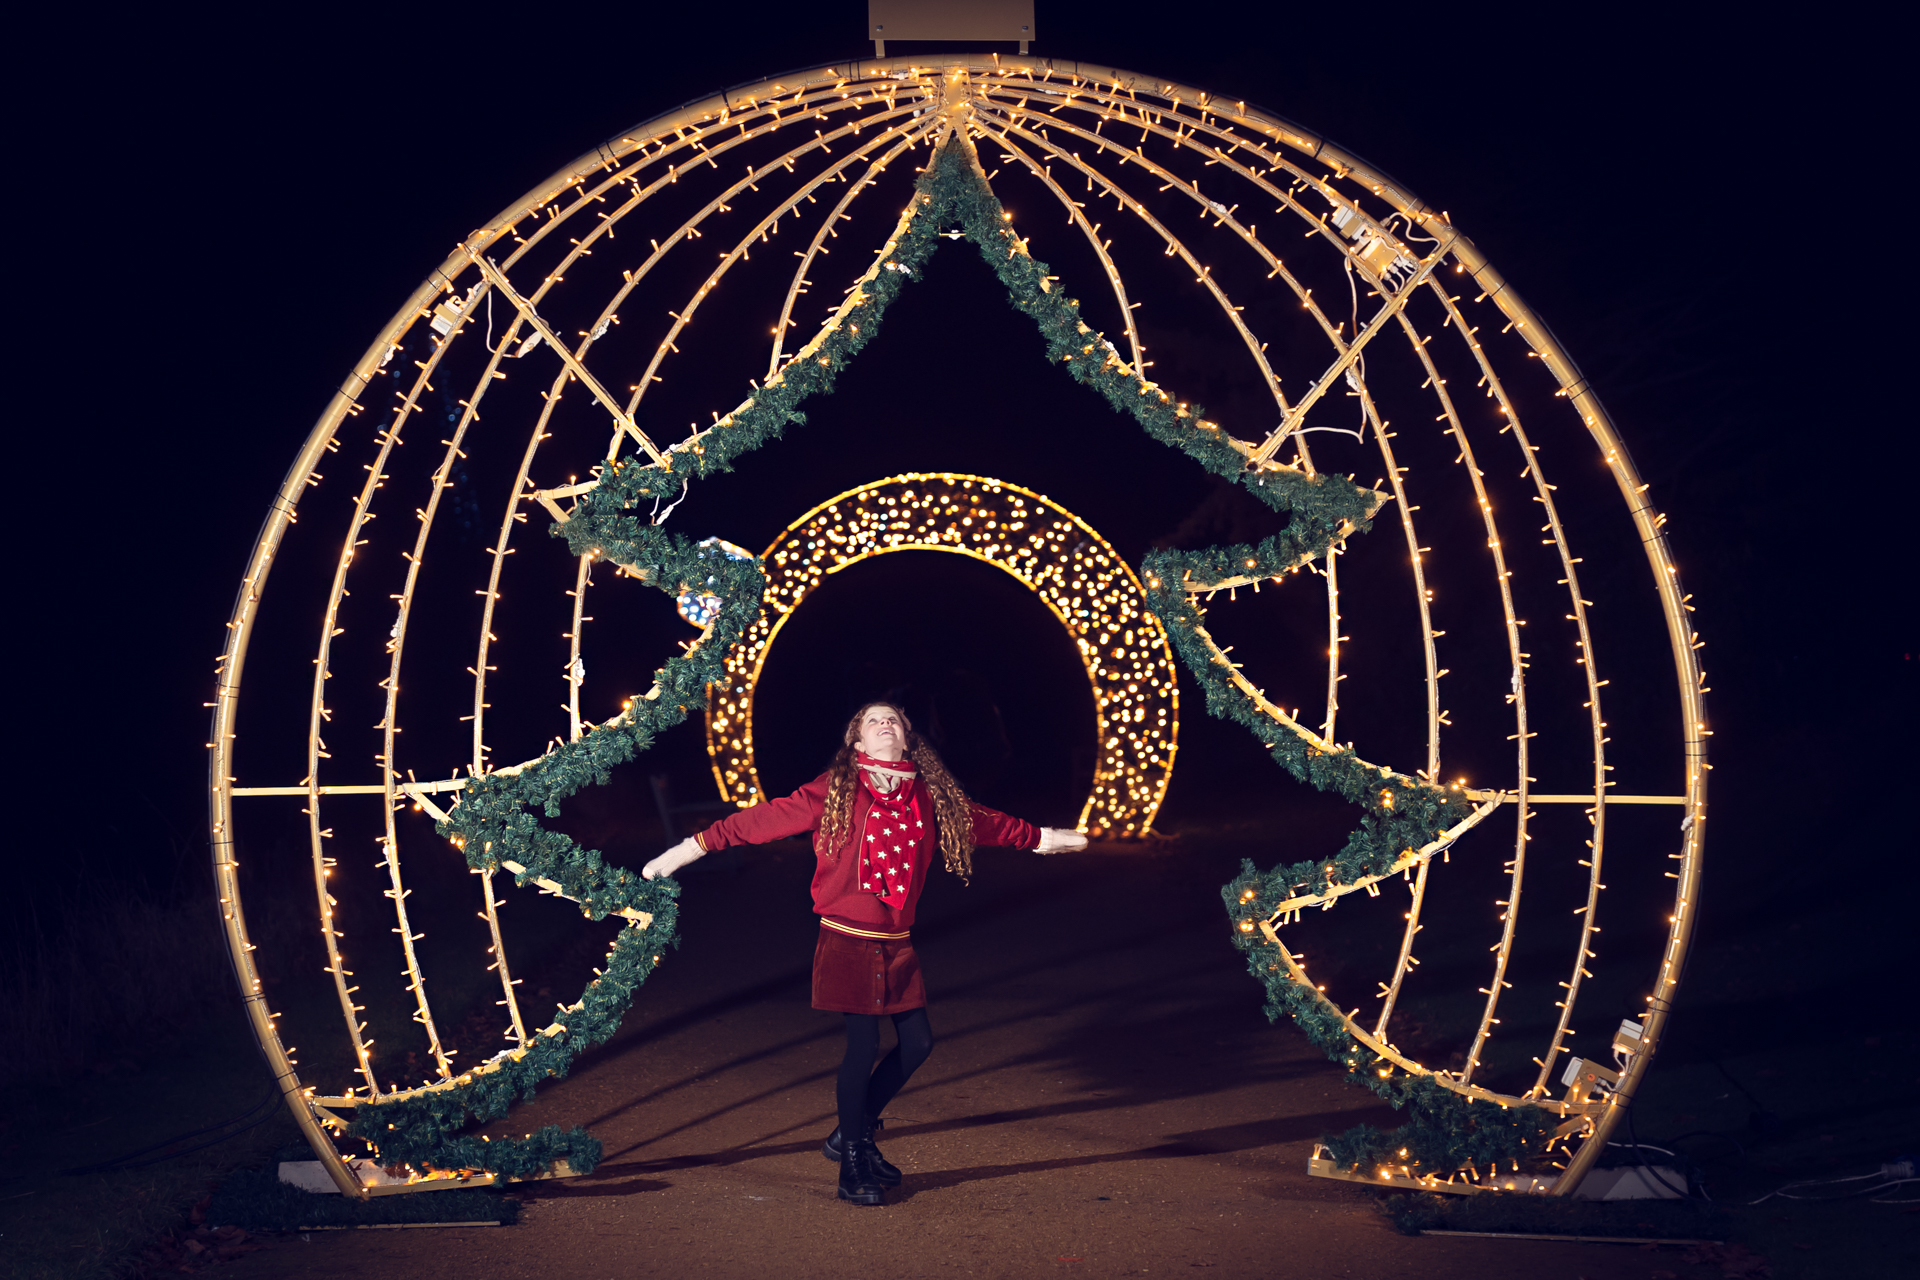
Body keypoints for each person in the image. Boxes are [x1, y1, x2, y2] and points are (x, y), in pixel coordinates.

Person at [641, 701, 1087, 1205]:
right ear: (856, 742)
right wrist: (688, 850)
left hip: (895, 940)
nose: (883, 724)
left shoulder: (927, 794)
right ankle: (852, 1160)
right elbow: (761, 820)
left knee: (918, 1043)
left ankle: (849, 1133)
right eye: (872, 721)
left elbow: (979, 821)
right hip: (845, 936)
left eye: (892, 720)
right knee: (862, 1046)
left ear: (907, 738)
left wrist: (1042, 839)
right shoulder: (833, 790)